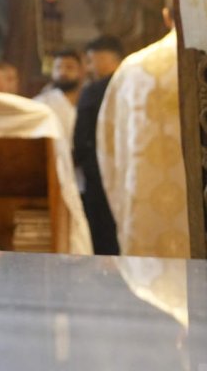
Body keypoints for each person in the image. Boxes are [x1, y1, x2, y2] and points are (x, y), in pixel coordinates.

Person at [96, 0, 187, 257]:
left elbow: (109, 149)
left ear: (166, 16)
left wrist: (124, 207)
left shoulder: (134, 70)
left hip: (150, 223)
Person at [73, 35, 125, 255]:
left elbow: (81, 138)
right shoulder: (133, 86)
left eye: (90, 61)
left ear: (104, 59)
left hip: (99, 178)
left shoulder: (93, 91)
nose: (88, 68)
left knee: (105, 243)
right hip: (132, 175)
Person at [34, 48, 83, 137]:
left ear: (80, 71)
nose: (62, 72)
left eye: (69, 67)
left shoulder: (87, 100)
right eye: (58, 67)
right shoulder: (41, 102)